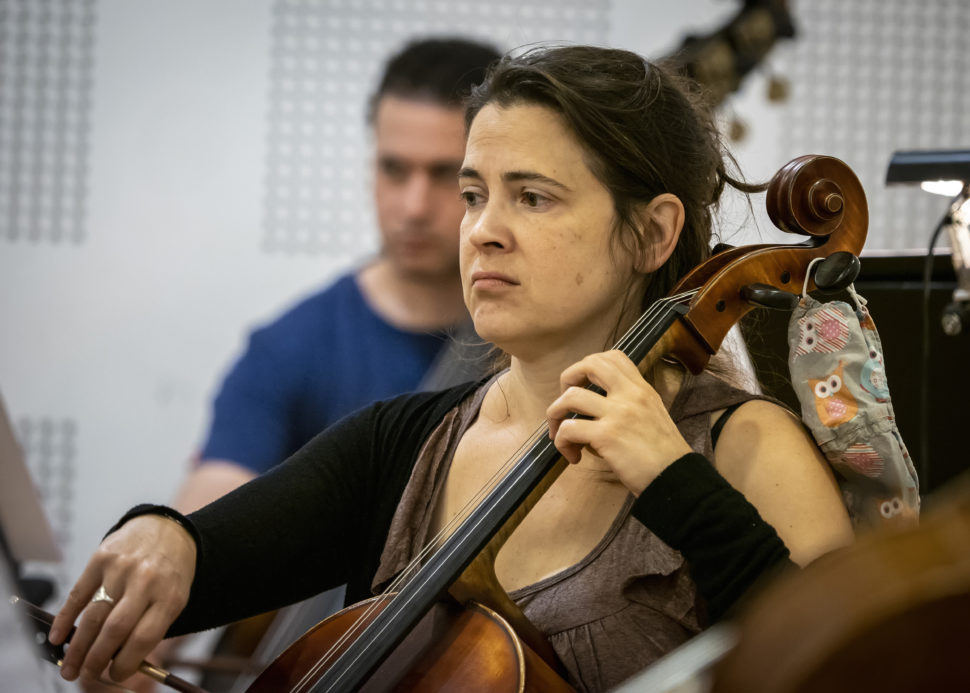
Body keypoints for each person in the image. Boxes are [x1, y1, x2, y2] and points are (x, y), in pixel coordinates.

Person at [51, 45, 855, 692]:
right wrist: (162, 536)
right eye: (476, 195)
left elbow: (844, 666)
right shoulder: (402, 444)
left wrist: (675, 481)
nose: (482, 232)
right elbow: (203, 558)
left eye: (532, 197)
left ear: (652, 232)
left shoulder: (747, 450)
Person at [175, 37, 501, 512]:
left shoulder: (541, 338)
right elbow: (205, 518)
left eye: (444, 174)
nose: (413, 207)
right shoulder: (288, 350)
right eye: (394, 169)